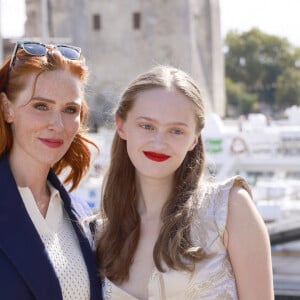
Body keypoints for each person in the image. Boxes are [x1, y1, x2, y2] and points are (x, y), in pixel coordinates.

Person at [95, 65, 274, 299]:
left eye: (176, 131)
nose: (159, 143)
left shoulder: (229, 209)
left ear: (194, 139)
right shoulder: (100, 233)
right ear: (121, 125)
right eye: (147, 126)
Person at [0, 41, 103, 299]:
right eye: (41, 106)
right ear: (7, 108)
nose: (57, 124)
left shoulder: (81, 215)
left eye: (70, 110)